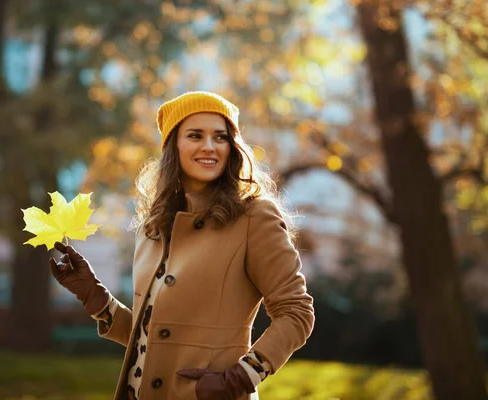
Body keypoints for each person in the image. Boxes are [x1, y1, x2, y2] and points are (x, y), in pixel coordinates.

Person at [49, 91, 315, 400]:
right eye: (195, 135)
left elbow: (296, 313)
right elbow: (156, 338)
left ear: (232, 148)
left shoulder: (253, 215)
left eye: (220, 137)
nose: (209, 146)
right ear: (173, 146)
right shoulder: (153, 226)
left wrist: (240, 378)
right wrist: (95, 297)